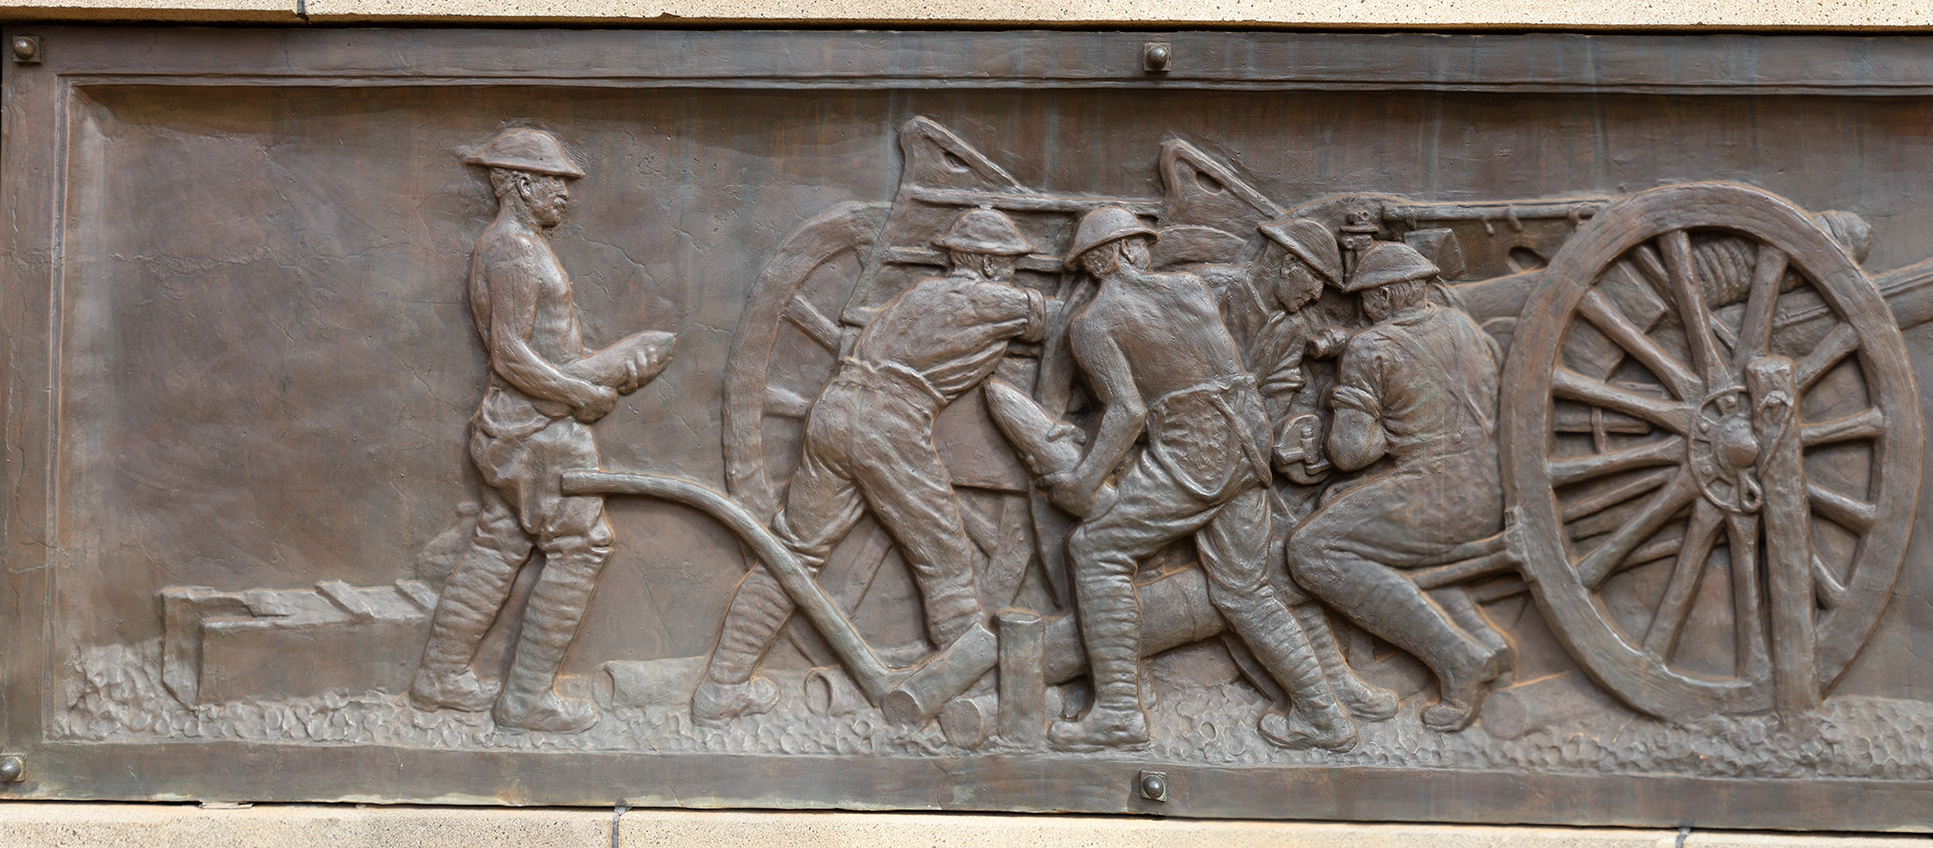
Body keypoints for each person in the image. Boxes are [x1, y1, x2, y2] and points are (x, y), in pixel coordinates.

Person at [687, 207, 1045, 723]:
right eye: (1009, 261)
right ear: (986, 263)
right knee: (944, 562)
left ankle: (721, 688)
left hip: (834, 410)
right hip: (888, 421)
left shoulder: (919, 296)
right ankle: (971, 700)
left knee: (795, 551)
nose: (1012, 271)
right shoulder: (989, 298)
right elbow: (1067, 318)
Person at [1043, 206, 1356, 752]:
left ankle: (1118, 712)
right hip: (1250, 444)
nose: (1144, 251)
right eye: (1140, 243)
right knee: (1243, 589)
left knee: (1096, 550)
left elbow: (1126, 413)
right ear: (1132, 251)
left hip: (1196, 453)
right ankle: (1324, 717)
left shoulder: (1092, 324)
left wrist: (1084, 480)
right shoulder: (1190, 287)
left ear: (1095, 262)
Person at [408, 128, 676, 732]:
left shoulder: (516, 244)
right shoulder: (513, 251)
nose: (565, 195)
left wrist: (604, 367)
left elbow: (532, 351)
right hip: (538, 433)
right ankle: (526, 697)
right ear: (522, 184)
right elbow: (508, 354)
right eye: (555, 182)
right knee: (583, 547)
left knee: (500, 543)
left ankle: (439, 677)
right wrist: (580, 392)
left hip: (520, 426)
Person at [1286, 241, 1513, 733]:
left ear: (1387, 297)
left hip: (1436, 496)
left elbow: (1348, 452)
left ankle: (1458, 660)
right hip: (1493, 491)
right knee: (1335, 506)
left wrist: (1374, 422)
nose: (1365, 308)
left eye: (1368, 297)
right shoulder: (1465, 328)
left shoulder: (1372, 349)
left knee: (1312, 549)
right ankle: (1482, 639)